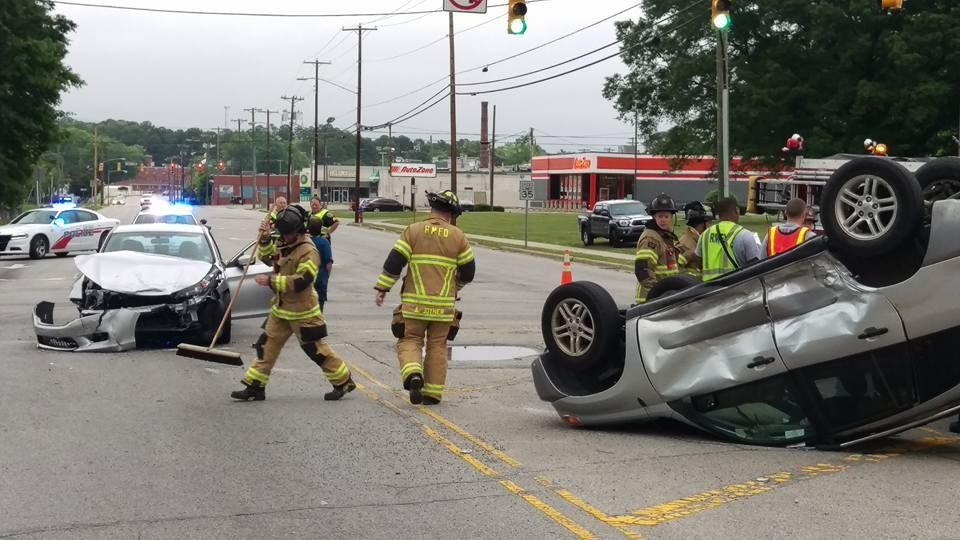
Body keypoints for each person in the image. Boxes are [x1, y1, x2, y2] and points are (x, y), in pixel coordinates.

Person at [230, 205, 355, 402]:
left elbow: (302, 280)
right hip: (282, 309)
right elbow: (269, 258)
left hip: (303, 312)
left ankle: (343, 381)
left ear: (299, 231)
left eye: (289, 234)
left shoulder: (308, 251)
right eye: (284, 234)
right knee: (266, 345)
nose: (285, 238)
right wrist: (263, 240)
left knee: (315, 350)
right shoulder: (284, 243)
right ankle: (255, 386)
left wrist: (272, 281)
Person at [374, 190, 476, 405]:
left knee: (410, 340)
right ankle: (432, 393)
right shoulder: (458, 236)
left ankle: (413, 375)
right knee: (438, 346)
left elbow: (394, 262)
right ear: (452, 213)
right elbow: (469, 272)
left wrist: (383, 288)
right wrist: (455, 286)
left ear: (432, 209)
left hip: (414, 305)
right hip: (444, 307)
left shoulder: (413, 231)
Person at [688, 197, 761, 281]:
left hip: (709, 289)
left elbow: (697, 263)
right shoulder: (745, 235)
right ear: (737, 210)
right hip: (735, 288)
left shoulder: (705, 235)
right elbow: (756, 268)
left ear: (719, 214)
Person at [633, 194, 681, 304]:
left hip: (664, 297)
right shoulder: (650, 238)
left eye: (666, 216)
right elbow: (643, 270)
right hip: (651, 300)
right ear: (654, 217)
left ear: (671, 217)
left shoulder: (665, 237)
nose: (663, 220)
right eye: (659, 216)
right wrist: (657, 293)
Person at [677, 201, 714, 280]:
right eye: (709, 223)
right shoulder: (685, 244)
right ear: (701, 224)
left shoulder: (699, 240)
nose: (711, 226)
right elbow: (674, 270)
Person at [308, 216, 334, 312]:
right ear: (320, 229)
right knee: (319, 308)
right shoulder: (324, 243)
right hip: (320, 278)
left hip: (307, 279)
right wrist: (327, 276)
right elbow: (329, 263)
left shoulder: (305, 242)